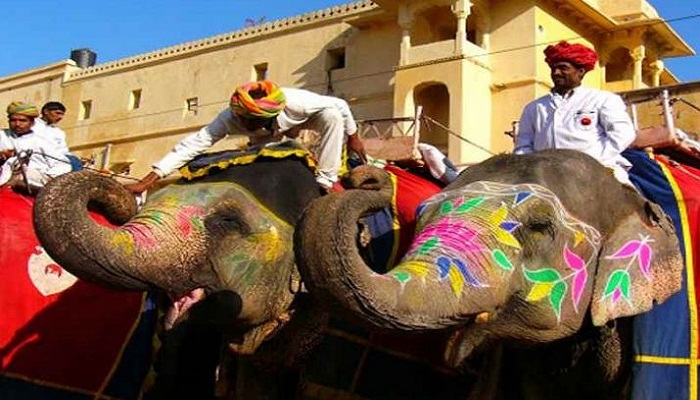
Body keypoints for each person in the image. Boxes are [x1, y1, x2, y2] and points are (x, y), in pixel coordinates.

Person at [125, 80, 366, 194]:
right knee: (267, 165)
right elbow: (193, 144)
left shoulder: (297, 102)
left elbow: (342, 105)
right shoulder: (231, 116)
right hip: (265, 140)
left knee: (333, 116)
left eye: (250, 121)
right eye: (243, 119)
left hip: (300, 121)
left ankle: (326, 180)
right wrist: (149, 180)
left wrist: (353, 137)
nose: (244, 124)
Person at [513, 41, 637, 184]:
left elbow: (623, 134)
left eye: (563, 68)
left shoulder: (603, 99)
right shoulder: (534, 108)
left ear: (581, 71)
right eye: (553, 68)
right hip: (545, 176)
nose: (556, 72)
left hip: (598, 169)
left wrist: (588, 160)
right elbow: (523, 146)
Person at [0, 101, 72, 189]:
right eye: (13, 120)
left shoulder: (42, 142)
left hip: (29, 181)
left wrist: (47, 180)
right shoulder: (2, 135)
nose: (17, 124)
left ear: (32, 123)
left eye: (22, 121)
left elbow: (63, 165)